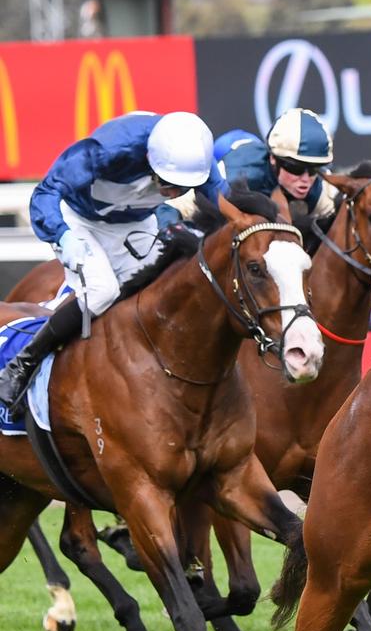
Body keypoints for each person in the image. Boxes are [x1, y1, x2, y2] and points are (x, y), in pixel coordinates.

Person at [0, 111, 222, 416]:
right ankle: (22, 364)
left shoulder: (195, 159)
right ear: (149, 157)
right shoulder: (109, 149)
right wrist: (63, 237)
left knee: (161, 291)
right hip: (78, 220)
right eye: (168, 183)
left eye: (182, 188)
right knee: (103, 291)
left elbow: (227, 205)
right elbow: (46, 193)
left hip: (135, 222)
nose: (172, 193)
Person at [214, 108, 337, 230]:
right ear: (273, 158)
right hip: (227, 147)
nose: (305, 179)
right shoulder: (236, 176)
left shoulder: (322, 188)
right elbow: (196, 211)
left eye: (313, 170)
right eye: (296, 168)